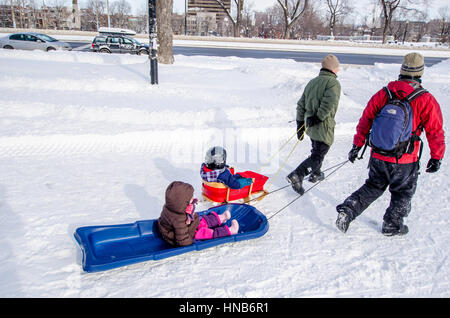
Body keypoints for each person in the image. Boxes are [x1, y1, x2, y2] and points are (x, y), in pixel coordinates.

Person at [335, 52, 445, 236]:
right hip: (405, 159)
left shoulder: (384, 93)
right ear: (420, 73)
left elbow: (366, 120)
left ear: (401, 71)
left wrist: (357, 145)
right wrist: (436, 157)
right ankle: (392, 225)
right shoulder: (425, 99)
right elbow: (435, 131)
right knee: (403, 191)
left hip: (379, 154)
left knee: (373, 186)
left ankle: (348, 209)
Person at [287, 54, 342, 195]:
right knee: (318, 155)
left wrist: (300, 123)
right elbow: (329, 104)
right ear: (334, 69)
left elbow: (301, 105)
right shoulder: (333, 83)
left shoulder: (312, 82)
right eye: (337, 68)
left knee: (316, 150)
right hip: (322, 125)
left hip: (311, 126)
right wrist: (318, 117)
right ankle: (298, 174)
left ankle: (316, 173)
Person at [158, 181, 239, 246]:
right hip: (182, 235)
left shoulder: (176, 207)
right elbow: (182, 239)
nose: (193, 199)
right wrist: (191, 242)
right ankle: (230, 231)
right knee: (206, 233)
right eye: (190, 198)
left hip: (188, 227)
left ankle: (221, 218)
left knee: (203, 220)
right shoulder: (178, 220)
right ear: (182, 202)